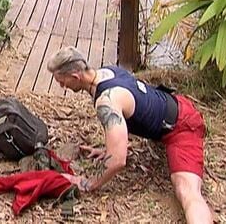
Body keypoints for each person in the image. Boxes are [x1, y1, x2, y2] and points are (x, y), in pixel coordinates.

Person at [47, 46, 213, 224]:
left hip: (183, 126)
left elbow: (118, 160)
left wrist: (88, 183)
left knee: (186, 191)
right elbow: (129, 108)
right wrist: (110, 148)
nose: (62, 87)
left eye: (62, 82)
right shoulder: (107, 71)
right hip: (174, 103)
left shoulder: (106, 100)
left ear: (75, 77)